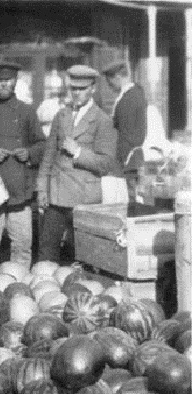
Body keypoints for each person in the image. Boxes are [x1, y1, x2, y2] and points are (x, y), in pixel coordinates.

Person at [37, 65, 118, 263]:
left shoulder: (103, 120)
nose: (77, 93)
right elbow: (48, 156)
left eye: (82, 89)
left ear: (93, 89)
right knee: (47, 252)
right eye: (74, 88)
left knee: (81, 256)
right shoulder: (61, 115)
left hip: (84, 199)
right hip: (56, 197)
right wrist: (41, 189)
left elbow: (106, 163)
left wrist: (79, 152)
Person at [0, 60, 45, 268]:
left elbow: (41, 144)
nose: (4, 84)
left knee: (22, 248)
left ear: (15, 82)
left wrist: (29, 153)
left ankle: (19, 287)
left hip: (20, 192)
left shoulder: (26, 111)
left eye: (8, 80)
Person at [102, 59, 147, 203]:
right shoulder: (131, 95)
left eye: (110, 83)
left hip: (129, 160)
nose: (110, 87)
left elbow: (127, 135)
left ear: (118, 77)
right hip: (130, 159)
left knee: (130, 200)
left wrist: (119, 162)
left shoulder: (129, 98)